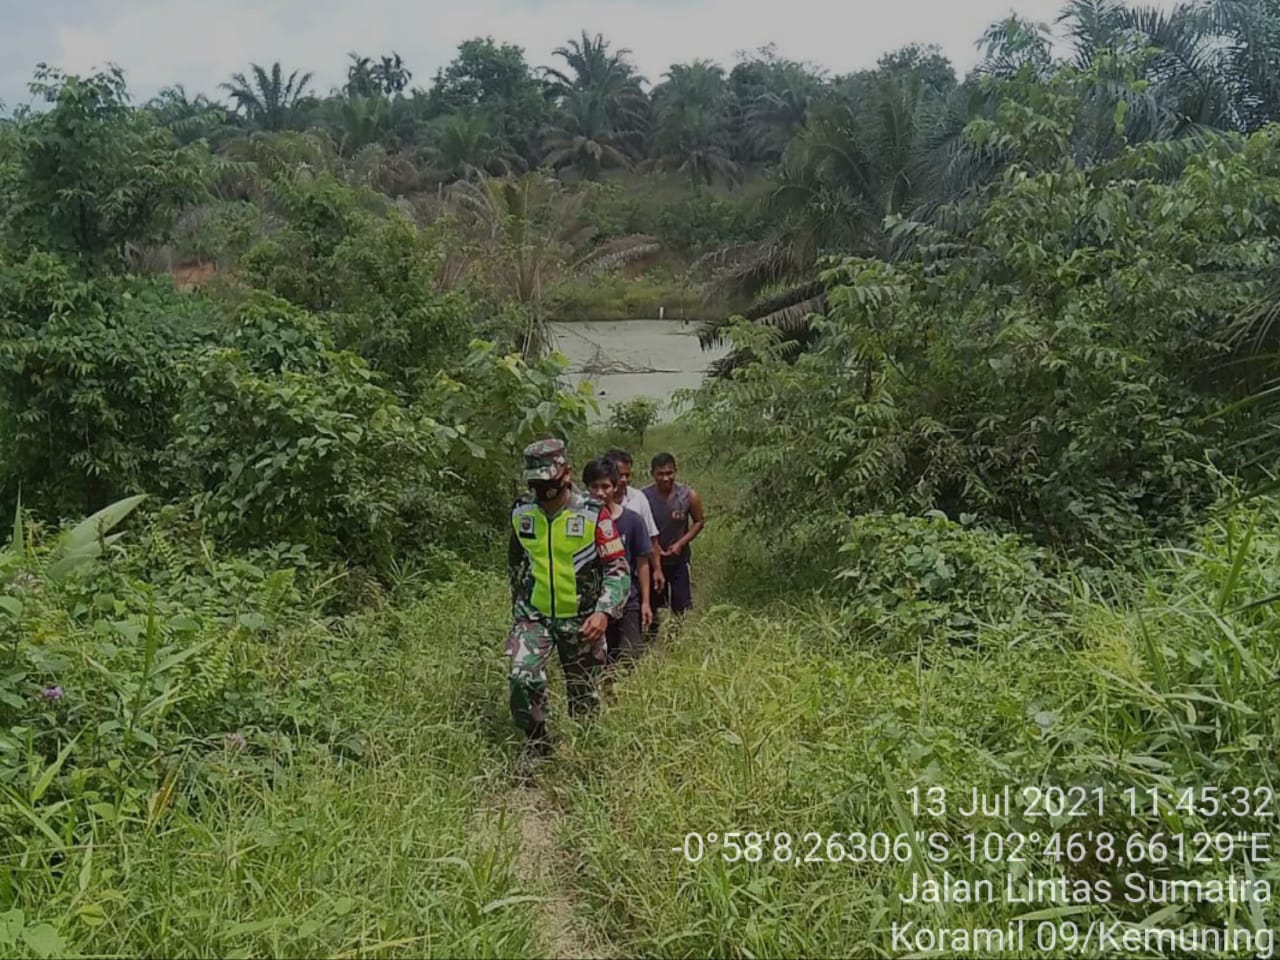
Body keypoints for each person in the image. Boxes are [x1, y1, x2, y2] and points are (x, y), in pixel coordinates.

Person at [506, 438, 630, 775]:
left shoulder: (592, 514)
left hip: (583, 619)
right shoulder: (522, 512)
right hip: (535, 617)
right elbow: (516, 565)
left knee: (584, 695)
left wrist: (604, 611)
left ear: (566, 473)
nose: (543, 489)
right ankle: (537, 744)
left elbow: (617, 569)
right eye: (536, 482)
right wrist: (518, 613)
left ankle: (589, 758)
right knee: (521, 676)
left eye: (549, 480)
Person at [583, 457, 652, 664]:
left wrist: (646, 602)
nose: (600, 492)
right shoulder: (579, 522)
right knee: (598, 661)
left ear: (615, 487)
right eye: (594, 486)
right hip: (592, 605)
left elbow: (642, 562)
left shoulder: (632, 521)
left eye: (605, 486)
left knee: (629, 658)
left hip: (627, 600)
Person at [643, 452, 705, 619]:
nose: (665, 478)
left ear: (675, 471)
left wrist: (680, 543)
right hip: (652, 561)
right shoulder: (643, 497)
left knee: (680, 607)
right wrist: (653, 550)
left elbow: (699, 522)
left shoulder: (688, 495)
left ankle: (677, 640)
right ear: (652, 474)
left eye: (669, 473)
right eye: (660, 474)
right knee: (654, 606)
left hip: (679, 560)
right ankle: (652, 639)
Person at [604, 448, 664, 597]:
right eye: (620, 475)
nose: (624, 479)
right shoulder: (594, 500)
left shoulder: (638, 498)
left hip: (633, 575)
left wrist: (657, 569)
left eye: (627, 475)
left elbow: (651, 537)